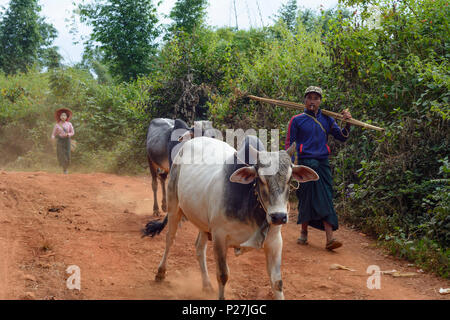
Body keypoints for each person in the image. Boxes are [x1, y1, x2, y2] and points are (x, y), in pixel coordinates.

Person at [285, 86, 352, 251]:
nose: (312, 101)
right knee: (306, 197)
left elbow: (341, 137)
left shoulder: (328, 119)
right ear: (305, 100)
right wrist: (290, 166)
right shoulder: (297, 120)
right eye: (309, 98)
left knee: (326, 197)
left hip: (322, 164)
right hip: (305, 164)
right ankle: (304, 232)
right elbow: (290, 144)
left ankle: (329, 238)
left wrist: (348, 123)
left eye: (316, 98)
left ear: (320, 101)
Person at [51, 108, 75, 174]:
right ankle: (64, 168)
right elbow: (53, 134)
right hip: (60, 140)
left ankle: (66, 168)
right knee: (61, 154)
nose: (63, 117)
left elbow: (73, 132)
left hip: (67, 140)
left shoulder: (69, 124)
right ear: (60, 117)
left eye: (64, 116)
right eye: (62, 116)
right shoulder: (57, 125)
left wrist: (69, 134)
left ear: (67, 117)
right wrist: (52, 138)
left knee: (67, 155)